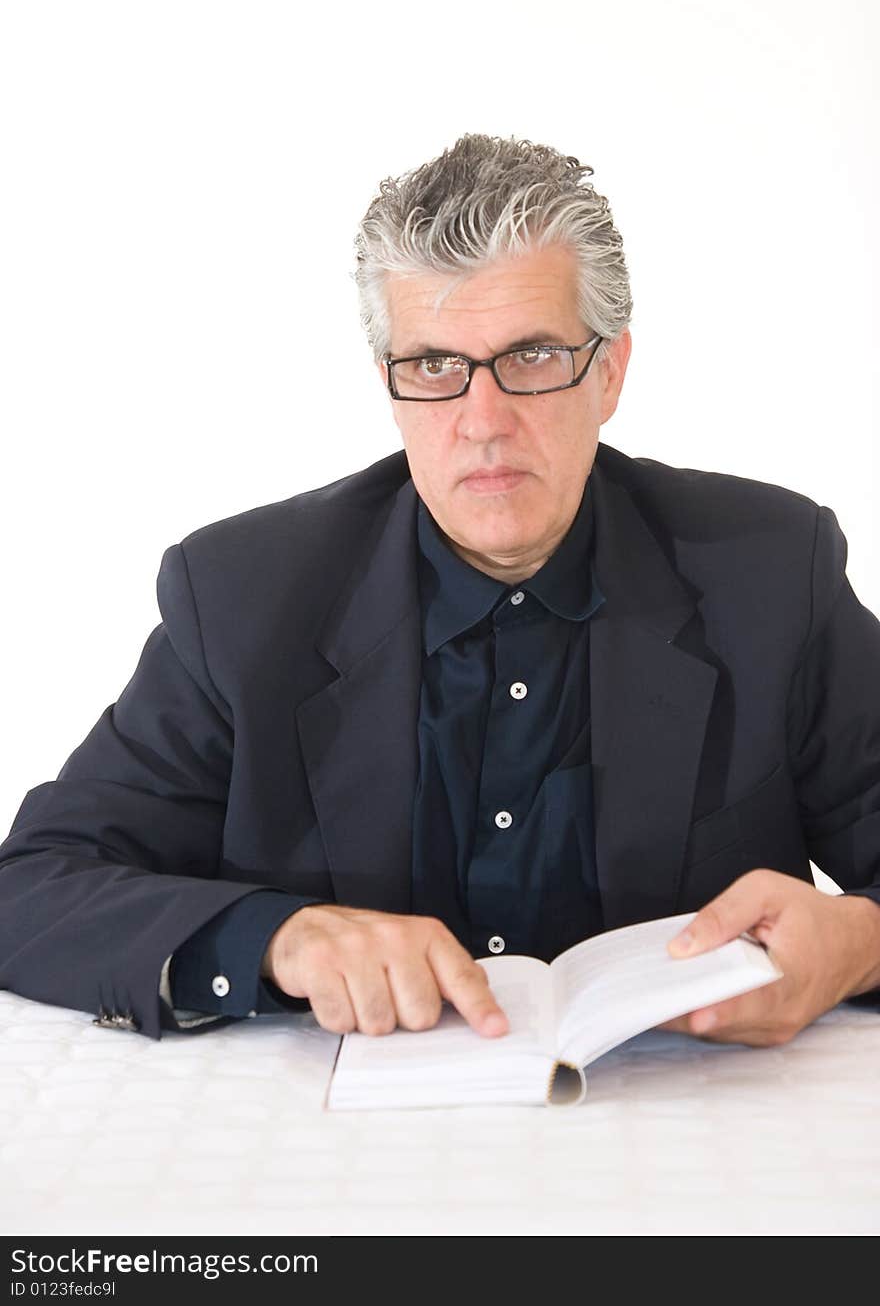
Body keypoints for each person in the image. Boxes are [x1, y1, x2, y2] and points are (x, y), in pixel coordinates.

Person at [1, 133, 879, 1049]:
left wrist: (859, 941)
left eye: (532, 356)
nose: (483, 421)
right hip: (337, 1160)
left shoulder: (772, 572)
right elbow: (32, 885)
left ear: (611, 372)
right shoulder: (241, 599)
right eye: (434, 367)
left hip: (691, 1142)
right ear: (388, 384)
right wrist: (280, 940)